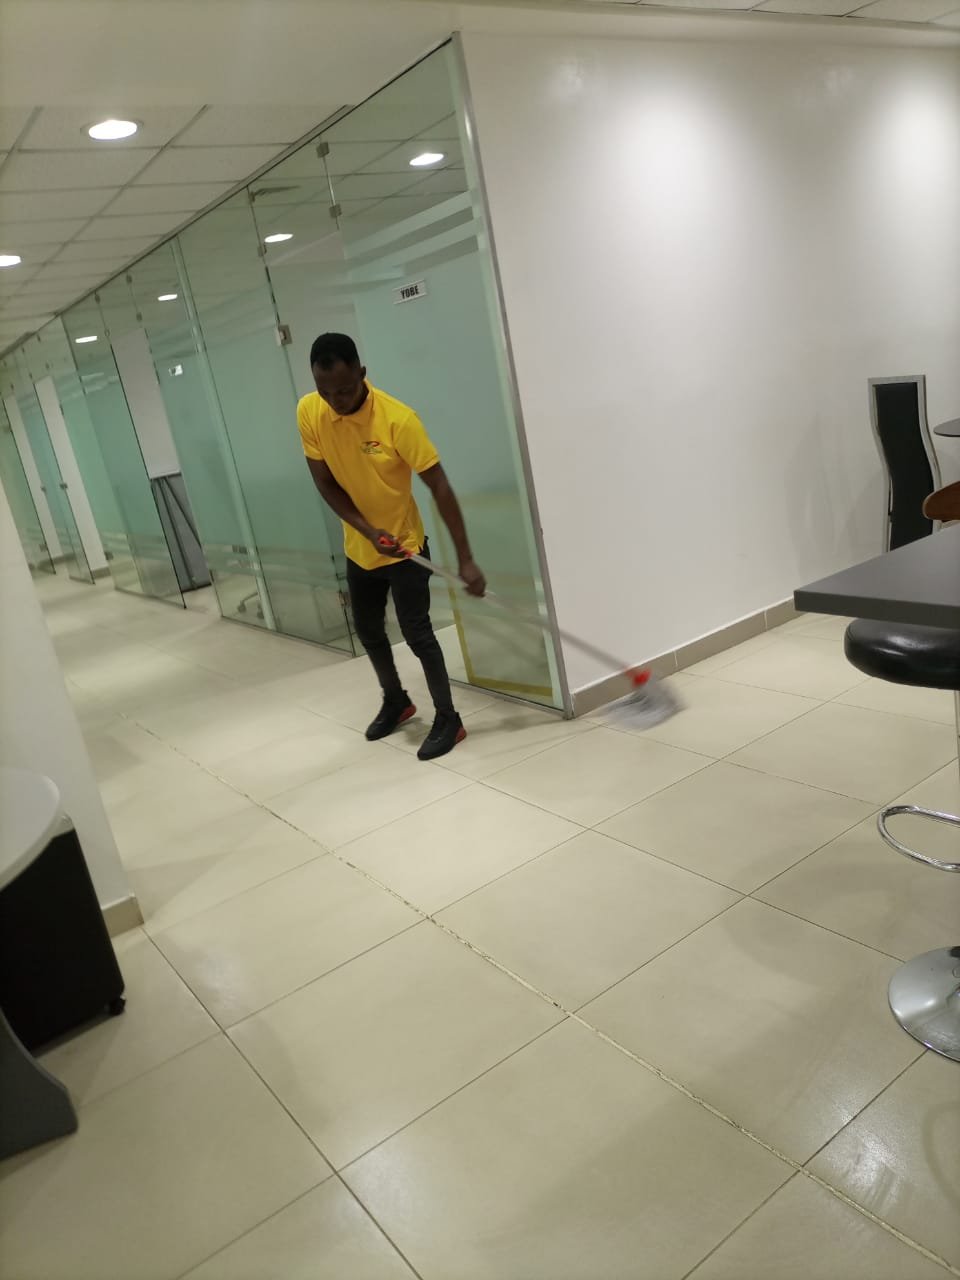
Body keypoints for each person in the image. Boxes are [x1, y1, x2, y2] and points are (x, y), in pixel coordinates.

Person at [297, 333, 486, 761]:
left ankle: (448, 718)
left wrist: (467, 559)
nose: (336, 400)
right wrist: (365, 530)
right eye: (325, 391)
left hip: (404, 548)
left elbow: (438, 484)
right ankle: (396, 700)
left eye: (344, 389)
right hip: (361, 546)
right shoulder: (310, 410)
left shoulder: (399, 420)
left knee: (418, 633)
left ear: (363, 374)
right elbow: (324, 481)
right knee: (367, 630)